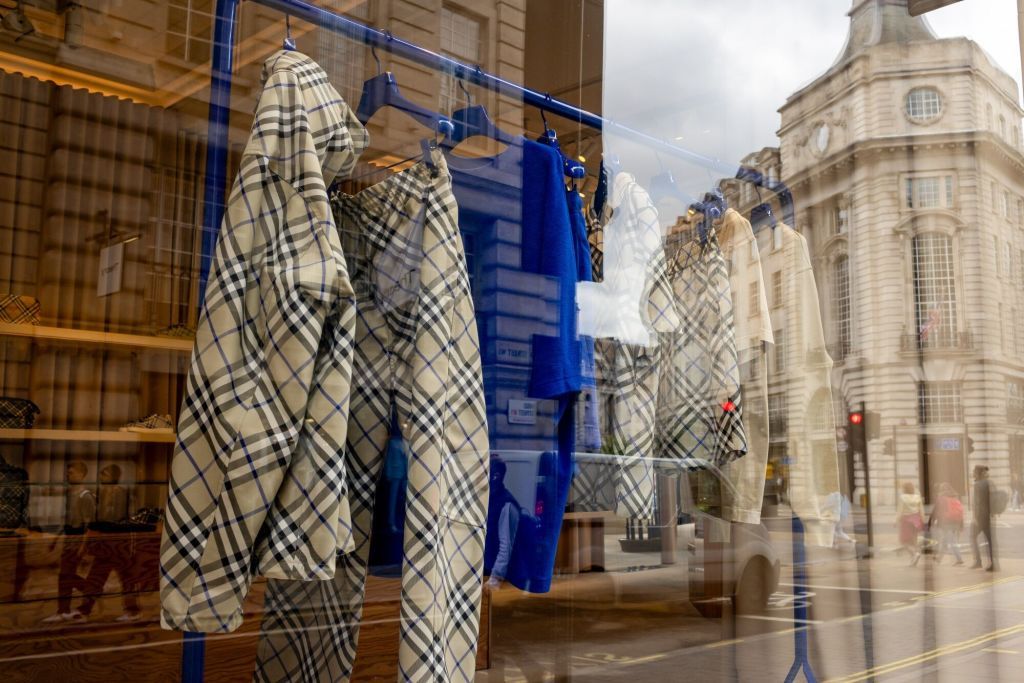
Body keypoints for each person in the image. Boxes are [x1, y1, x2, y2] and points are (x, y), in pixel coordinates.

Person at [78, 464, 141, 622]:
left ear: (114, 476)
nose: (101, 477)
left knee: (125, 579)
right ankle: (85, 609)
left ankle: (132, 611)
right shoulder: (102, 493)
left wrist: (98, 527)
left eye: (105, 474)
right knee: (96, 577)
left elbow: (117, 519)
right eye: (101, 474)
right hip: (106, 544)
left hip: (118, 544)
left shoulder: (121, 494)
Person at [42, 461, 96, 623]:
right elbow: (66, 522)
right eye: (67, 473)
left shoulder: (85, 496)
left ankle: (91, 590)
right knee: (65, 575)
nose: (68, 475)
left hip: (78, 539)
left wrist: (83, 547)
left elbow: (89, 525)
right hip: (68, 539)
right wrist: (57, 539)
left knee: (66, 575)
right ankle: (64, 609)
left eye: (71, 473)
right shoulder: (70, 494)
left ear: (81, 474)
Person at [484, 457, 521, 589]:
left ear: (495, 476)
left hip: (492, 575)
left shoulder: (507, 504)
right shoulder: (490, 499)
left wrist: (494, 579)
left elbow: (506, 545)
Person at [969, 464, 997, 571]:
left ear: (977, 473)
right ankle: (993, 564)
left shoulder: (977, 484)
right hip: (987, 515)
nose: (972, 473)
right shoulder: (989, 483)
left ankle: (978, 561)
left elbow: (976, 503)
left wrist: (975, 517)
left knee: (972, 537)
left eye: (974, 471)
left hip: (980, 516)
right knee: (990, 540)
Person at [929, 482, 964, 565]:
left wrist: (931, 521)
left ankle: (959, 559)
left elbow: (935, 510)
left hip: (946, 522)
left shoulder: (941, 498)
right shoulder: (955, 497)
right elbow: (960, 510)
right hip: (956, 521)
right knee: (946, 540)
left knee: (952, 542)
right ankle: (939, 559)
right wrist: (961, 524)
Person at [896, 480, 924, 566]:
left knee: (904, 541)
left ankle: (914, 554)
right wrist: (922, 520)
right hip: (916, 519)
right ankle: (913, 559)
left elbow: (900, 510)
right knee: (914, 540)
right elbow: (921, 510)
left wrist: (896, 520)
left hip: (906, 520)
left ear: (905, 489)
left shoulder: (902, 497)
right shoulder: (917, 497)